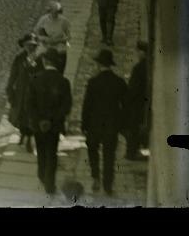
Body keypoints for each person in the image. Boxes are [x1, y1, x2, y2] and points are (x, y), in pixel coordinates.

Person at [81, 49, 128, 196]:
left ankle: (95, 177)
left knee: (92, 151)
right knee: (109, 156)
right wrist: (121, 124)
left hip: (94, 125)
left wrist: (84, 125)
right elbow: (125, 105)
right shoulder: (119, 82)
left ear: (99, 64)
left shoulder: (93, 82)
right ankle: (108, 185)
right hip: (111, 126)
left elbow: (86, 105)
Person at [27, 48, 72, 196]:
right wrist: (51, 120)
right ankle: (50, 185)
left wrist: (39, 121)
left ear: (45, 61)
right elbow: (66, 106)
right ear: (56, 63)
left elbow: (30, 104)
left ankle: (41, 174)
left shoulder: (35, 79)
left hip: (39, 126)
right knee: (52, 153)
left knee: (40, 150)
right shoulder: (63, 81)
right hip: (54, 125)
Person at [6, 33, 41, 153]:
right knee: (21, 117)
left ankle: (29, 140)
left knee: (30, 118)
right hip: (20, 94)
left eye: (32, 45)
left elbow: (41, 75)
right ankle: (22, 135)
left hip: (33, 94)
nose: (30, 48)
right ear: (24, 46)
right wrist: (10, 91)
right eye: (28, 45)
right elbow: (13, 76)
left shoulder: (39, 59)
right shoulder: (19, 58)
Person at [124, 41, 150, 161]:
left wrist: (127, 102)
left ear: (143, 53)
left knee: (133, 128)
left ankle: (131, 153)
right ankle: (135, 150)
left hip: (137, 103)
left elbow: (133, 88)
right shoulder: (148, 66)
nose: (137, 54)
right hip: (144, 102)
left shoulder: (139, 68)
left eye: (139, 52)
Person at [34, 1, 71, 75]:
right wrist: (44, 39)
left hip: (59, 49)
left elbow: (69, 36)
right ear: (49, 11)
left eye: (57, 12)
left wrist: (59, 40)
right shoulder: (43, 20)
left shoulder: (64, 21)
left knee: (59, 72)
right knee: (41, 70)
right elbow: (36, 33)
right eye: (53, 11)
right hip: (46, 47)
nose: (55, 14)